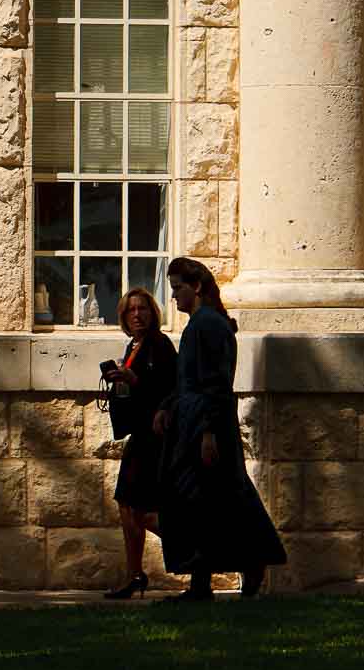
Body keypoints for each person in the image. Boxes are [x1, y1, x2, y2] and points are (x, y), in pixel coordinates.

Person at [154, 257, 286, 601]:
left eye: (178, 288)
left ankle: (252, 561)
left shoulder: (210, 325)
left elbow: (216, 382)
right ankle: (201, 581)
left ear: (196, 286)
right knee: (197, 502)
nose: (174, 297)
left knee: (222, 498)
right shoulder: (197, 325)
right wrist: (167, 407)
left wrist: (210, 432)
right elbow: (188, 379)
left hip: (205, 426)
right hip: (190, 422)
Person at [103, 288, 177, 600]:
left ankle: (196, 548)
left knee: (145, 511)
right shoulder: (133, 346)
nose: (137, 315)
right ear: (123, 317)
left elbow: (171, 388)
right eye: (131, 310)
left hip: (156, 438)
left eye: (143, 309)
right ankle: (134, 574)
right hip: (139, 436)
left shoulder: (160, 345)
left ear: (153, 313)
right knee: (126, 505)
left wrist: (135, 382)